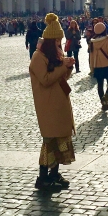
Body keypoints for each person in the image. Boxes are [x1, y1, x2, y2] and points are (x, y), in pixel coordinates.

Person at [29, 13, 76, 190]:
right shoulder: (38, 58)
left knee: (59, 140)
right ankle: (42, 178)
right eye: (57, 41)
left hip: (59, 103)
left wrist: (68, 68)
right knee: (49, 141)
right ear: (50, 41)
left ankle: (54, 174)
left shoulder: (54, 56)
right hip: (48, 105)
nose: (60, 44)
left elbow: (62, 78)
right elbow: (46, 79)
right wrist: (63, 66)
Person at [88, 22, 108, 111]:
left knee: (100, 85)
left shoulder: (92, 42)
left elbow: (91, 56)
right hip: (107, 65)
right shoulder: (106, 40)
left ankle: (103, 102)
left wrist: (92, 67)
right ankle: (107, 96)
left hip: (97, 66)